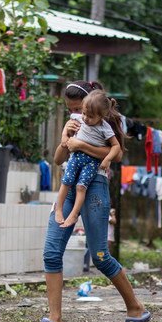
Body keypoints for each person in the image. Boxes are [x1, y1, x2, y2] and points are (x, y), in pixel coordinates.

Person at [28, 80, 151, 322]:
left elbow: (115, 154)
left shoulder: (103, 125)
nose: (76, 114)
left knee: (100, 256)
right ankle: (54, 318)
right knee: (51, 252)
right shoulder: (75, 123)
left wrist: (82, 145)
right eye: (71, 110)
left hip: (94, 187)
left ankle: (136, 309)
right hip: (68, 186)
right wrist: (67, 138)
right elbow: (59, 159)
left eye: (78, 109)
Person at [54, 90, 124, 228]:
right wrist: (64, 137)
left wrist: (107, 159)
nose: (85, 118)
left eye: (90, 116)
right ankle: (58, 209)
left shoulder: (105, 128)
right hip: (75, 158)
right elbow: (65, 130)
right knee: (66, 182)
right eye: (84, 113)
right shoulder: (78, 118)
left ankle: (73, 215)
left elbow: (116, 147)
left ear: (101, 116)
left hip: (91, 163)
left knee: (81, 187)